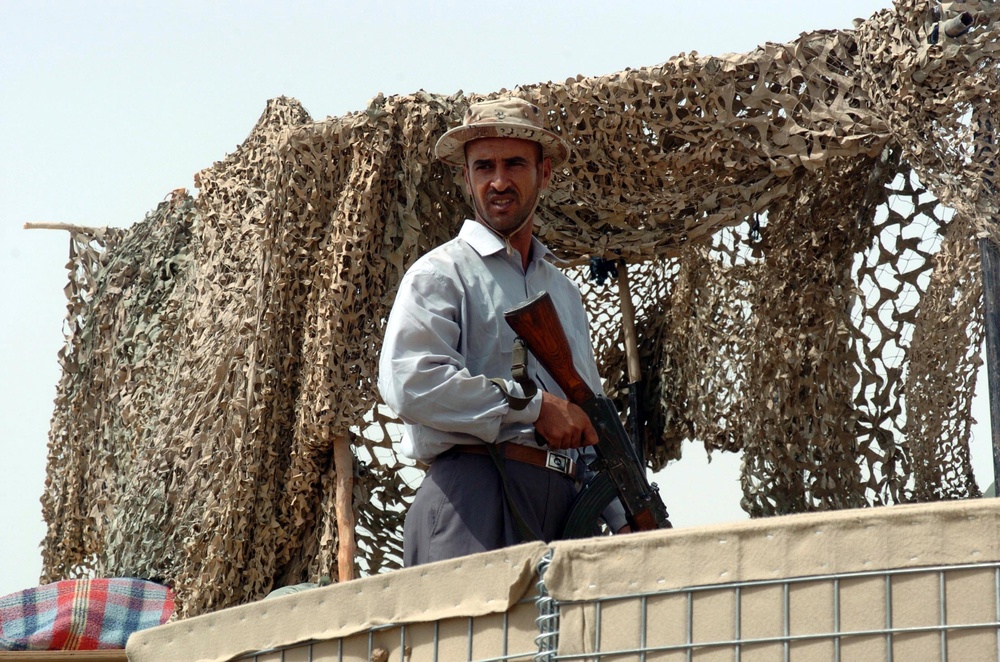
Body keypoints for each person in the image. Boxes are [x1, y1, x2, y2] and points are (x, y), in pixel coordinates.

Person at [378, 97, 627, 567]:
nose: (498, 181)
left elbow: (588, 417)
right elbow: (412, 384)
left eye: (514, 164)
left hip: (566, 507)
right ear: (466, 177)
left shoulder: (564, 293)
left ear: (544, 173)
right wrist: (533, 407)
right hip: (473, 496)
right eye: (483, 167)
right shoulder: (440, 274)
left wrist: (623, 513)